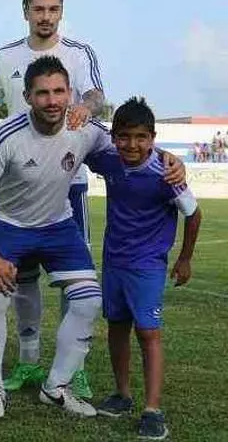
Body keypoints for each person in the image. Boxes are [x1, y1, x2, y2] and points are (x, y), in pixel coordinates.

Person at [0, 56, 184, 419]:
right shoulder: (6, 135)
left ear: (70, 94)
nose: (52, 101)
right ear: (28, 97)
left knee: (88, 300)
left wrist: (168, 156)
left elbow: (131, 145)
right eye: (43, 93)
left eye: (59, 91)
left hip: (57, 225)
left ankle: (56, 387)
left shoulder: (85, 128)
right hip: (8, 224)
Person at [0, 0, 106, 398]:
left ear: (61, 11)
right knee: (22, 281)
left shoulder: (79, 53)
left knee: (76, 282)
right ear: (26, 11)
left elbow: (96, 96)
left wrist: (86, 106)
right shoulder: (5, 57)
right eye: (38, 9)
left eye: (53, 9)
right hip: (16, 186)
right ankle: (28, 362)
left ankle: (73, 369)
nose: (46, 17)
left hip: (67, 184)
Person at [89, 97, 201, 440]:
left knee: (148, 332)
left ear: (152, 138)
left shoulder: (165, 174)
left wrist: (184, 259)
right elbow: (81, 144)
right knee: (117, 327)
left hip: (147, 265)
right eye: (124, 136)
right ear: (114, 137)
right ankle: (122, 394)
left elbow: (193, 214)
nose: (132, 145)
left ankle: (153, 410)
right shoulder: (109, 160)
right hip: (114, 262)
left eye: (141, 137)